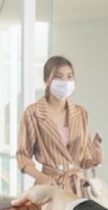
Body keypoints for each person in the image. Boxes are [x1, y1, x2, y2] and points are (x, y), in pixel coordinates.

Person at [16, 56, 103, 195]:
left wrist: (96, 160)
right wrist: (42, 178)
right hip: (49, 187)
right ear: (47, 80)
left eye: (69, 77)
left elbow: (84, 161)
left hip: (78, 189)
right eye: (59, 76)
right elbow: (23, 157)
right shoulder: (33, 113)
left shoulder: (81, 113)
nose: (65, 82)